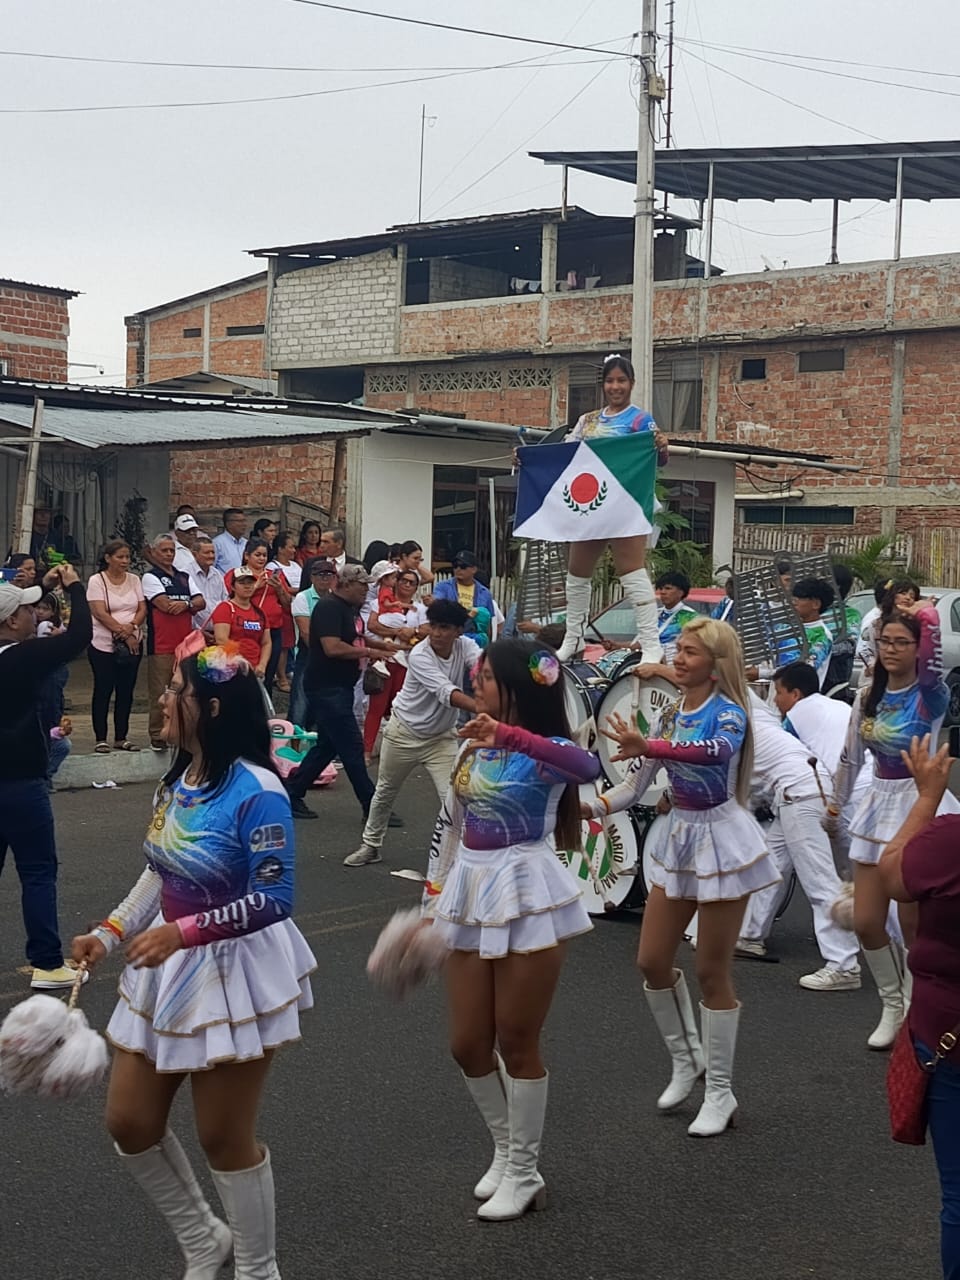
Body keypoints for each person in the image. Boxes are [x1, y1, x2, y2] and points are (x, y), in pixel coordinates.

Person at [71, 645, 315, 1278]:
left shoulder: (259, 790)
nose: (163, 698)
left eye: (175, 690)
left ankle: (259, 1269)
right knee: (130, 1121)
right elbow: (161, 870)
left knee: (223, 1138)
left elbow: (274, 897)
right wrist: (109, 931)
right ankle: (204, 1238)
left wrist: (184, 933)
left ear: (211, 708)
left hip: (234, 969)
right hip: (171, 960)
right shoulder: (179, 780)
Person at [422, 638, 600, 1220]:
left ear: (517, 688)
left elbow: (587, 766)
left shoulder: (544, 748)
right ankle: (505, 1150)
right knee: (467, 1043)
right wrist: (430, 902)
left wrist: (509, 736)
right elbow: (451, 824)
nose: (475, 684)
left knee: (517, 1040)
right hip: (469, 887)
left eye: (486, 677)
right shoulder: (472, 741)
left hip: (526, 887)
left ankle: (525, 1172)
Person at [592, 617, 779, 1137]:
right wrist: (591, 809)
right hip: (681, 840)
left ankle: (720, 1091)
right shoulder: (671, 714)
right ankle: (687, 1058)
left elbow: (715, 753)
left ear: (716, 666)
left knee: (710, 971)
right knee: (651, 960)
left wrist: (651, 747)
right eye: (678, 649)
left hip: (723, 841)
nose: (678, 658)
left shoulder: (731, 713)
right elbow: (635, 787)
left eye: (690, 652)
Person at [826, 599, 959, 1050]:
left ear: (919, 649)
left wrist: (924, 613)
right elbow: (850, 757)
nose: (891, 649)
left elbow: (933, 652)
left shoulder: (931, 695)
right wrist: (836, 807)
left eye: (902, 642)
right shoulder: (868, 696)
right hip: (875, 803)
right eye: (885, 641)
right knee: (866, 921)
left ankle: (916, 1006)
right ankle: (891, 1004)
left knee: (913, 926)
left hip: (918, 800)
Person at [877, 735, 960, 1280]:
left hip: (949, 1032)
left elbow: (891, 874)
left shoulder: (950, 840)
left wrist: (927, 797)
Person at [0, 565, 92, 988]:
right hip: (21, 781)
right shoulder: (24, 657)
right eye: (26, 610)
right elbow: (79, 637)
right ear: (10, 621)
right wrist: (75, 588)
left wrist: (42, 586)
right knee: (38, 871)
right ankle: (47, 962)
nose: (34, 614)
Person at [545, 354, 668, 663]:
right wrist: (527, 458)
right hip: (590, 505)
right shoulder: (587, 421)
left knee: (633, 572)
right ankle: (573, 638)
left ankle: (651, 644)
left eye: (621, 380)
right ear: (603, 384)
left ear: (632, 384)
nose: (616, 386)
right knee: (577, 573)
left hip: (625, 504)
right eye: (610, 380)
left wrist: (662, 447)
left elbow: (657, 460)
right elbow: (565, 456)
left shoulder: (641, 420)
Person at [736, 687, 861, 988]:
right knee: (769, 866)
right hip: (799, 791)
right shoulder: (758, 717)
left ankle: (844, 965)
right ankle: (750, 936)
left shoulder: (734, 726)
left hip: (800, 795)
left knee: (819, 880)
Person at [349, 599, 477, 867]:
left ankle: (464, 857)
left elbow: (482, 666)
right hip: (403, 733)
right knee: (385, 791)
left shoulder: (466, 646)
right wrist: (486, 707)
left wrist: (492, 682)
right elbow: (446, 693)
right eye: (434, 626)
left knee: (454, 798)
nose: (437, 633)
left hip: (441, 737)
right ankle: (370, 845)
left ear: (459, 631)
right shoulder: (419, 654)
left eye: (445, 628)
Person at [283, 565, 402, 821]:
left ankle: (292, 792)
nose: (366, 590)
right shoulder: (329, 608)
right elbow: (332, 647)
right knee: (351, 746)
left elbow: (355, 637)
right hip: (327, 687)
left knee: (327, 746)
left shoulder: (349, 608)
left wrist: (380, 646)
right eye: (362, 585)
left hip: (341, 686)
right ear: (346, 584)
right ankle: (372, 806)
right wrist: (369, 652)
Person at [142, 535, 205, 752]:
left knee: (186, 691)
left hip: (186, 644)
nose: (169, 554)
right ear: (154, 552)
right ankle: (157, 734)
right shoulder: (150, 577)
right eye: (164, 550)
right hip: (161, 644)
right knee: (161, 691)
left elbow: (201, 601)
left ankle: (183, 731)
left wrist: (185, 604)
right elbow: (164, 604)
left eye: (172, 550)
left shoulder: (184, 576)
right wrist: (189, 603)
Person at [362, 566, 428, 764]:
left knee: (401, 709)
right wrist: (400, 632)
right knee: (376, 708)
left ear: (416, 587)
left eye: (412, 583)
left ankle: (399, 752)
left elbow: (425, 632)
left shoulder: (420, 609)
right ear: (396, 582)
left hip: (407, 664)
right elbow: (371, 626)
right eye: (403, 580)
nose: (407, 585)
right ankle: (366, 751)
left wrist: (412, 633)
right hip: (383, 660)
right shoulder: (377, 602)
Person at [86, 539, 146, 753]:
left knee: (126, 691)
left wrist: (132, 627)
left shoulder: (134, 579)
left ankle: (122, 737)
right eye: (120, 557)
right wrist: (123, 634)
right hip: (103, 643)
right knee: (103, 689)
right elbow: (99, 612)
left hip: (133, 642)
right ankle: (100, 737)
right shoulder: (97, 580)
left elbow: (142, 608)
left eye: (127, 557)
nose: (125, 561)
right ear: (108, 558)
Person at [225, 539, 286, 696]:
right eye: (257, 555)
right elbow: (230, 598)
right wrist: (256, 586)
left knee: (267, 674)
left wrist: (279, 588)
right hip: (245, 630)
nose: (261, 558)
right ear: (247, 556)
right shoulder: (236, 574)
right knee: (243, 674)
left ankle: (265, 706)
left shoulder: (273, 575)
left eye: (264, 555)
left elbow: (287, 605)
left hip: (272, 629)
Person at [289, 557, 337, 728]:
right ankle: (294, 740)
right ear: (312, 577)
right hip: (308, 654)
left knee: (324, 702)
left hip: (331, 655)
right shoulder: (302, 597)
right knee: (300, 701)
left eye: (329, 575)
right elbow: (305, 632)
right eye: (320, 575)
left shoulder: (336, 599)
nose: (325, 579)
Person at [858, 579, 921, 681]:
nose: (908, 598)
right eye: (903, 593)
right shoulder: (876, 624)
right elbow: (865, 650)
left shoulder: (917, 625)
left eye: (912, 596)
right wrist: (873, 666)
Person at [212, 567, 270, 675]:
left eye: (250, 583)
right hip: (231, 668)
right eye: (242, 583)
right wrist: (241, 661)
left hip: (255, 668)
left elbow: (266, 642)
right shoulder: (225, 608)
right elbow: (221, 639)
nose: (247, 586)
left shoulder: (260, 612)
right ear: (233, 587)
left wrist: (262, 665)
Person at [433, 550, 498, 644]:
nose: (458, 569)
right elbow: (438, 607)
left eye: (463, 566)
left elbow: (488, 623)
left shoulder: (484, 593)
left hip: (475, 641)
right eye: (455, 566)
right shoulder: (442, 587)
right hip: (450, 639)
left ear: (474, 569)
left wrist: (488, 646)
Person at [267, 532, 301, 693]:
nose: (294, 550)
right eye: (290, 547)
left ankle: (287, 672)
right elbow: (282, 587)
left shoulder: (295, 566)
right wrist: (296, 589)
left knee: (290, 643)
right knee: (283, 645)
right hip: (282, 608)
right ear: (280, 549)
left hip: (296, 606)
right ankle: (280, 676)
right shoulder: (272, 567)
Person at [789, 577, 836, 688]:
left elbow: (805, 670)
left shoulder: (822, 636)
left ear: (816, 604)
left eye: (799, 599)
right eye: (793, 599)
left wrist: (763, 673)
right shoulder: (790, 627)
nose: (794, 603)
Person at [655, 571, 700, 663]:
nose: (662, 592)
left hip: (676, 666)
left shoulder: (689, 616)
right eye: (661, 588)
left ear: (680, 592)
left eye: (668, 588)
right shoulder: (655, 614)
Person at [190, 535, 228, 639]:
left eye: (213, 552)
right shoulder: (186, 574)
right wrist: (199, 631)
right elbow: (188, 609)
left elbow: (225, 602)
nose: (211, 556)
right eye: (207, 553)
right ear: (195, 554)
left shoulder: (217, 574)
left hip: (218, 632)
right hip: (195, 635)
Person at [212, 508, 248, 574]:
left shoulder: (246, 543)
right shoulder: (217, 543)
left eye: (244, 521)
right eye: (240, 521)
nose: (244, 524)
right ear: (228, 524)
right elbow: (211, 568)